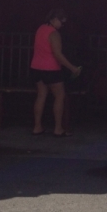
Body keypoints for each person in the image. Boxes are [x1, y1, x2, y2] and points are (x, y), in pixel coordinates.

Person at [30, 8, 82, 137]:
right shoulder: (54, 34)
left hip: (36, 67)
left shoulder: (40, 29)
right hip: (51, 69)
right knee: (60, 96)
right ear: (54, 20)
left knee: (41, 95)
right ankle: (58, 128)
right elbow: (58, 55)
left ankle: (37, 127)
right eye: (62, 22)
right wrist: (73, 68)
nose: (62, 25)